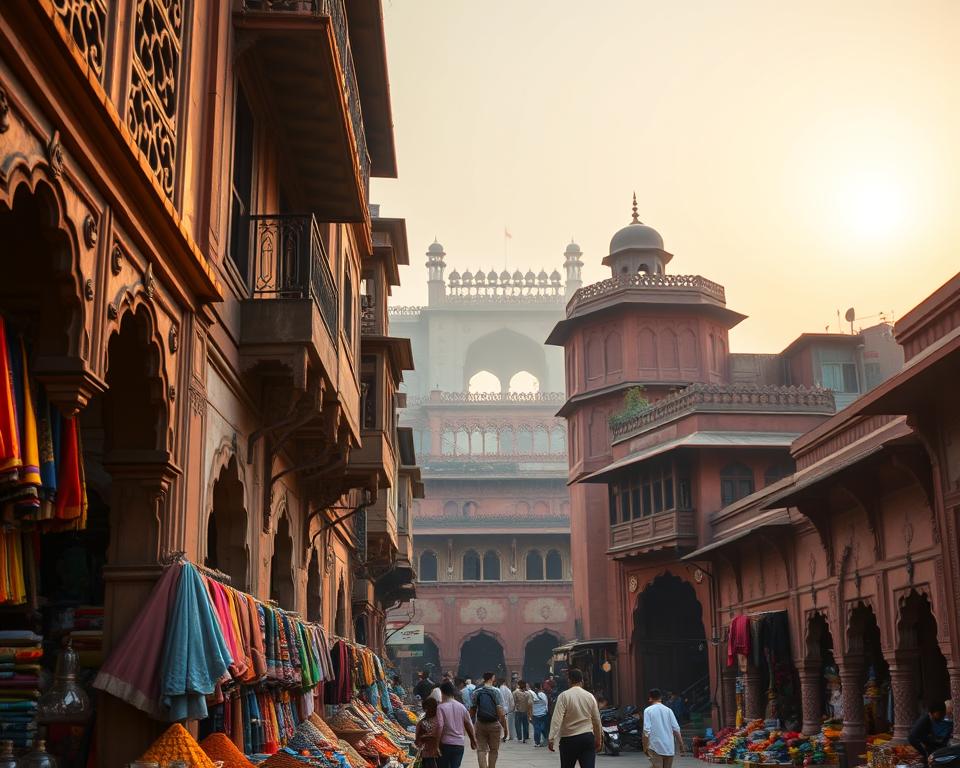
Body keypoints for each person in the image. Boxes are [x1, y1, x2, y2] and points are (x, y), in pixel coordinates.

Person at [548, 668, 602, 768]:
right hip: (587, 738)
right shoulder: (590, 696)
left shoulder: (564, 696)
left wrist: (551, 738)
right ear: (582, 681)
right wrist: (598, 739)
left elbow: (557, 719)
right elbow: (596, 720)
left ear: (569, 680)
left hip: (569, 739)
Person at [470, 671, 506, 768]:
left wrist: (472, 725)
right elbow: (500, 712)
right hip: (494, 724)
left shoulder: (476, 692)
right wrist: (505, 728)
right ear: (492, 678)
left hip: (480, 724)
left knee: (481, 750)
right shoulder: (496, 691)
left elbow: (472, 711)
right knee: (493, 750)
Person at [438, 680, 477, 768]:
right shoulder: (461, 707)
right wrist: (473, 740)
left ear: (443, 692)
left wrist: (436, 744)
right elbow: (469, 725)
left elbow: (439, 727)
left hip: (445, 744)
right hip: (459, 744)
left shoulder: (441, 707)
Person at [642, 688, 684, 768]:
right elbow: (676, 729)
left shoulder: (648, 711)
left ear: (650, 698)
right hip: (669, 747)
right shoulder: (669, 710)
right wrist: (681, 744)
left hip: (655, 747)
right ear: (661, 698)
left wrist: (645, 747)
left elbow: (646, 731)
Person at [417, 697, 445, 768]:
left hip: (431, 752)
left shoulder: (423, 722)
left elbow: (418, 740)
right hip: (433, 752)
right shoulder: (440, 718)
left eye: (426, 709)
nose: (426, 711)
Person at [531, 681, 550, 747]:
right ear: (540, 687)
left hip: (535, 714)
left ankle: (537, 742)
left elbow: (530, 704)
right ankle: (546, 739)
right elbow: (546, 704)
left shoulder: (532, 694)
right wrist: (546, 711)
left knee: (536, 728)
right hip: (543, 714)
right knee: (543, 728)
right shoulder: (543, 694)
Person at [498, 677, 515, 742]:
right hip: (507, 708)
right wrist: (511, 708)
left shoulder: (498, 689)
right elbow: (511, 700)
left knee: (501, 723)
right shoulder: (508, 690)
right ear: (504, 682)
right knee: (506, 723)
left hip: (500, 708)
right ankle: (507, 736)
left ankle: (503, 736)